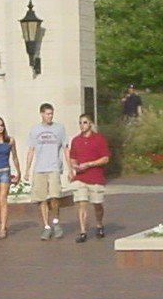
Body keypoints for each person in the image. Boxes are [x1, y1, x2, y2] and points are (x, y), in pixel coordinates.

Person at [24, 102, 70, 240]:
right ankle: (46, 226)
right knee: (42, 199)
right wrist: (27, 170)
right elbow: (31, 150)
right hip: (39, 169)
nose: (50, 116)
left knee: (55, 197)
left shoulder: (59, 129)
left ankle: (56, 222)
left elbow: (65, 149)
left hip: (54, 167)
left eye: (51, 114)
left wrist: (70, 168)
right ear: (42, 114)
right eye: (48, 114)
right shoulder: (35, 130)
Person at [68, 113, 111, 242]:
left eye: (85, 122)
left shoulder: (99, 139)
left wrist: (90, 164)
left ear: (90, 124)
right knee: (81, 203)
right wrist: (74, 166)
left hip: (95, 176)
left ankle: (99, 224)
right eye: (80, 123)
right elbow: (72, 157)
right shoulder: (76, 140)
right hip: (81, 177)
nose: (82, 125)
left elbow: (105, 158)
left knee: (97, 204)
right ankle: (83, 232)